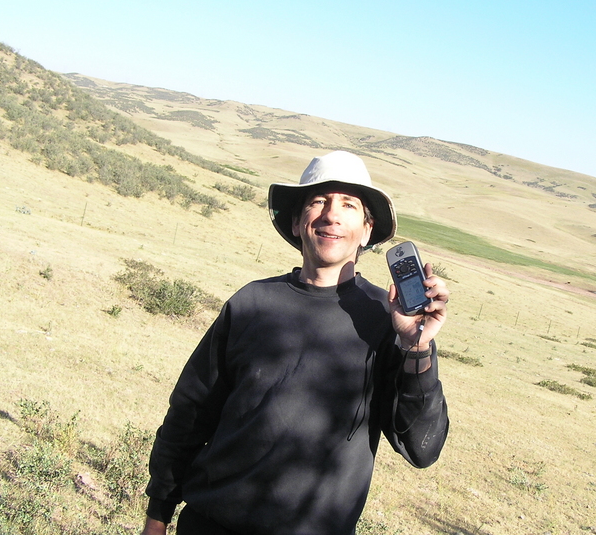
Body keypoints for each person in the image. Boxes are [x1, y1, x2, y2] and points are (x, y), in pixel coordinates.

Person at [141, 150, 450, 535]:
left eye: (349, 205)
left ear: (367, 230)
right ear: (296, 221)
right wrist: (158, 514)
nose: (331, 214)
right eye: (318, 201)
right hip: (210, 524)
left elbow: (422, 448)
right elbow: (190, 413)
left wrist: (417, 346)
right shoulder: (250, 303)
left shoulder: (387, 320)